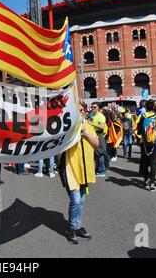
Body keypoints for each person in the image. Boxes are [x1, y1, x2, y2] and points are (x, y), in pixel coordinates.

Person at [59, 102, 99, 244]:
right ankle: (72, 228)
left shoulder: (88, 126)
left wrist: (85, 132)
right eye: (79, 110)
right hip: (70, 170)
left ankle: (77, 225)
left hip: (85, 170)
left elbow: (96, 143)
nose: (81, 112)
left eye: (83, 110)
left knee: (81, 201)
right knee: (75, 200)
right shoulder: (67, 128)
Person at [135, 100, 156, 191]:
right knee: (153, 163)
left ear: (145, 107)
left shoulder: (141, 116)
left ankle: (146, 181)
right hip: (155, 142)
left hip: (144, 142)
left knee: (145, 162)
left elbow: (134, 127)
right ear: (154, 107)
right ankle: (152, 184)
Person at [89, 102, 107, 177]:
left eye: (94, 107)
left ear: (98, 108)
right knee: (95, 154)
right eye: (92, 107)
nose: (92, 108)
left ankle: (102, 170)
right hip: (93, 134)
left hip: (99, 134)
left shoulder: (101, 116)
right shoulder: (92, 115)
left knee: (100, 153)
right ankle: (98, 169)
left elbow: (102, 126)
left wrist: (91, 123)